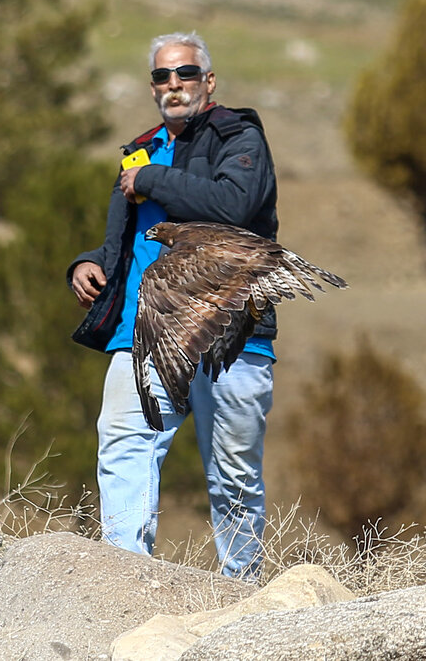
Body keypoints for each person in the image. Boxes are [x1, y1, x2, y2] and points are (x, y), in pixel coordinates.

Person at [67, 31, 278, 581]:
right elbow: (133, 241)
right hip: (142, 334)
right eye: (162, 75)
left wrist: (152, 178)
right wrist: (89, 263)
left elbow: (233, 207)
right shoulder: (139, 150)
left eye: (185, 73)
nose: (173, 84)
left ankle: (243, 589)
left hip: (229, 336)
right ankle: (128, 579)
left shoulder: (240, 136)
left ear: (208, 81)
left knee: (233, 474)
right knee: (123, 447)